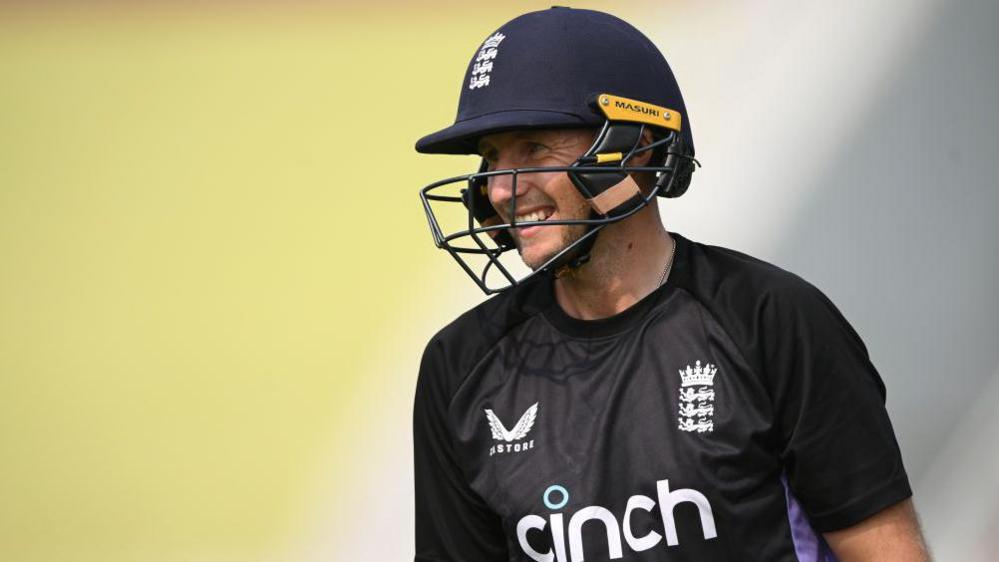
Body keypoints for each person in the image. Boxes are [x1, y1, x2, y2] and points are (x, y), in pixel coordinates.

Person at [412, 7, 930, 562]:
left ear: (636, 146)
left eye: (532, 149)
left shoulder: (770, 319)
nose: (499, 191)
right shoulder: (459, 367)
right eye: (492, 159)